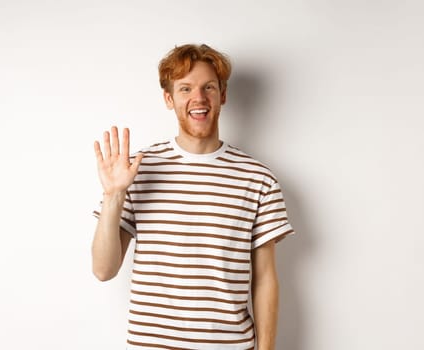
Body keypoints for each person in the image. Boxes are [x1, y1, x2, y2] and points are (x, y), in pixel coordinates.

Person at [91, 44, 294, 350]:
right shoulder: (136, 171)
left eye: (208, 87)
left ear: (222, 95)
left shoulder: (258, 179)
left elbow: (265, 279)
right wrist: (113, 195)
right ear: (169, 99)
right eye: (185, 89)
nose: (198, 99)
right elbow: (103, 269)